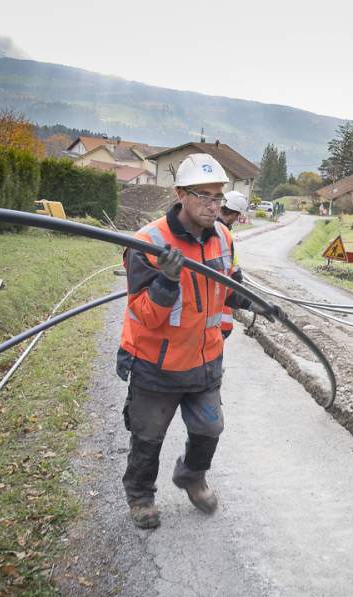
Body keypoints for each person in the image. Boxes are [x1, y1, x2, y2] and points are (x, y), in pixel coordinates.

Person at [117, 153, 272, 529]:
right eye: (203, 195)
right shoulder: (149, 243)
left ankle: (192, 476)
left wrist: (252, 301)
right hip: (157, 364)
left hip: (204, 361)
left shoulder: (223, 236)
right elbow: (145, 315)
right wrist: (167, 280)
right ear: (180, 195)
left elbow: (227, 286)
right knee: (148, 436)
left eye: (218, 197)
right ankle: (140, 496)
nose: (212, 205)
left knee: (209, 428)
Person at [217, 191, 249, 338]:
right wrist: (236, 276)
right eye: (237, 216)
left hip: (224, 289)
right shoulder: (221, 232)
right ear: (235, 214)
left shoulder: (216, 228)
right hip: (222, 291)